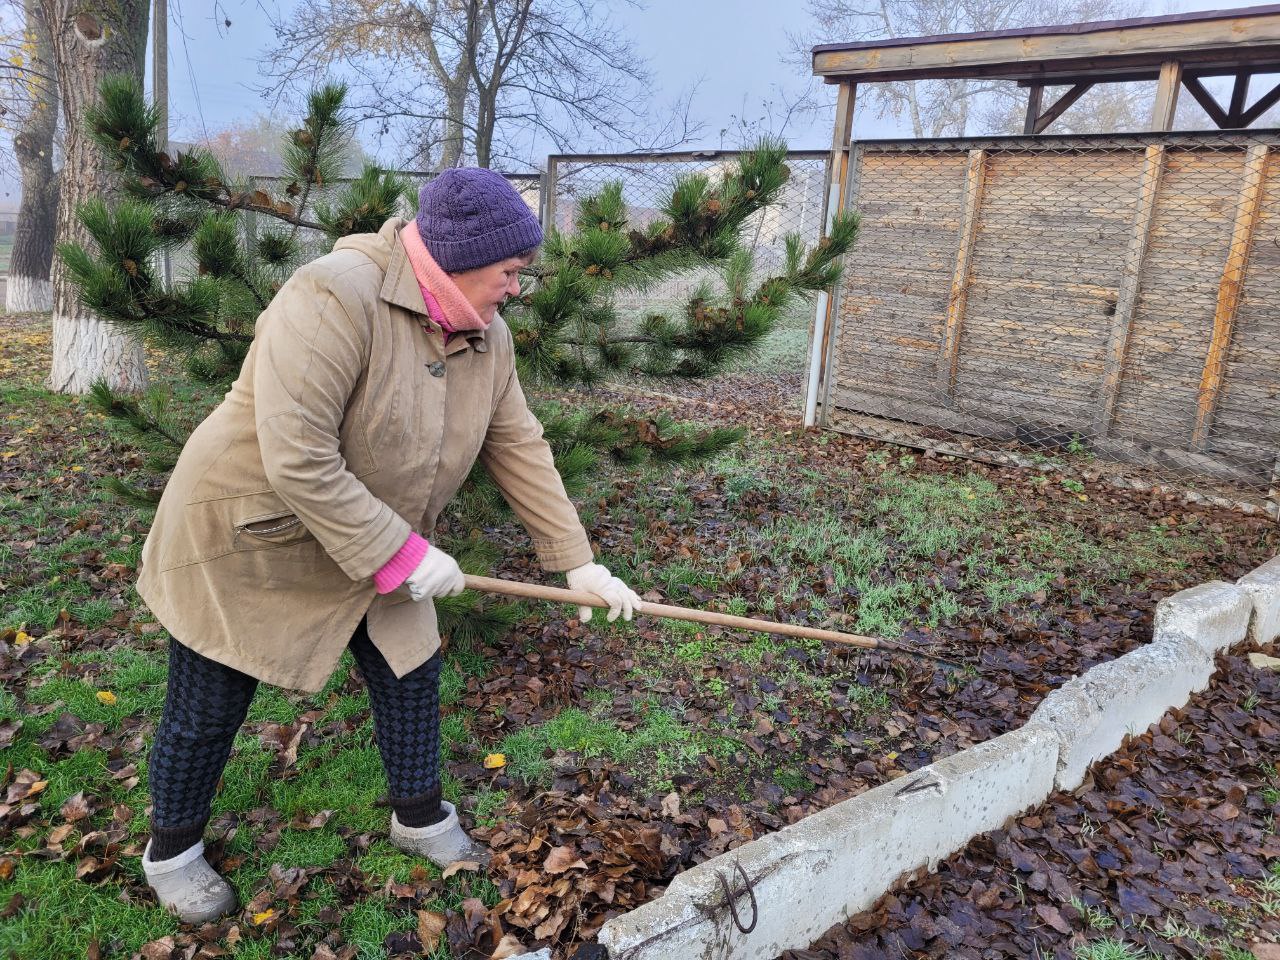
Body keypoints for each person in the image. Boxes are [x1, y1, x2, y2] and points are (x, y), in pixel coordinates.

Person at [133, 168, 642, 923]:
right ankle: (172, 852)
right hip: (251, 535)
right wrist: (401, 554)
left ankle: (419, 816)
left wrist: (578, 561)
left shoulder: (483, 334)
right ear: (462, 258)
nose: (514, 289)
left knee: (411, 670)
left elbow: (519, 443)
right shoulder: (334, 294)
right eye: (509, 273)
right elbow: (297, 454)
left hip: (379, 535)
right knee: (208, 703)